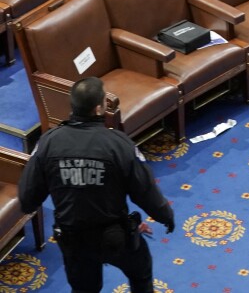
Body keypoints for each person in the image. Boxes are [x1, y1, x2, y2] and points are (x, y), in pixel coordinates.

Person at [18, 77, 175, 293]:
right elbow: (144, 191)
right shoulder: (119, 144)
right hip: (115, 237)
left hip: (73, 240)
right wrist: (165, 215)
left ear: (72, 106)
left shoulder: (47, 143)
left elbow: (27, 198)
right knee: (141, 273)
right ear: (99, 108)